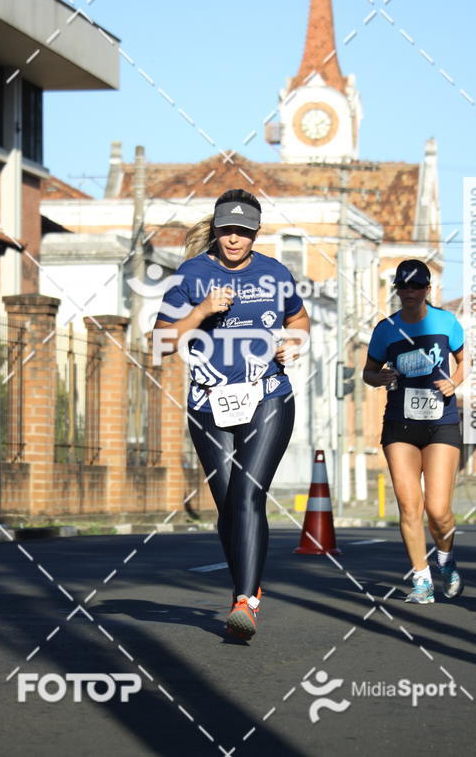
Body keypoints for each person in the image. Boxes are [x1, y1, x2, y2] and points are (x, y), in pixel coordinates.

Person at [154, 189, 310, 638]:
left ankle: (245, 601)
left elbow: (299, 321)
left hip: (268, 396)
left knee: (247, 494)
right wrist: (201, 311)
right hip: (209, 401)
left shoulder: (275, 273)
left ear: (256, 232)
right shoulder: (192, 274)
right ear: (216, 228)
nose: (234, 239)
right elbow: (161, 342)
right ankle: (248, 586)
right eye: (227, 230)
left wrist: (291, 344)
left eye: (243, 231)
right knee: (228, 505)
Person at [362, 259, 465, 604]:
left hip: (441, 424)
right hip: (399, 424)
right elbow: (368, 372)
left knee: (438, 510)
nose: (409, 293)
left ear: (427, 289)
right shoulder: (385, 329)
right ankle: (422, 580)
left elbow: (464, 361)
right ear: (397, 290)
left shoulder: (446, 322)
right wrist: (380, 378)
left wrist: (454, 382)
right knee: (409, 506)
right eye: (403, 287)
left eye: (416, 287)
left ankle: (446, 561)